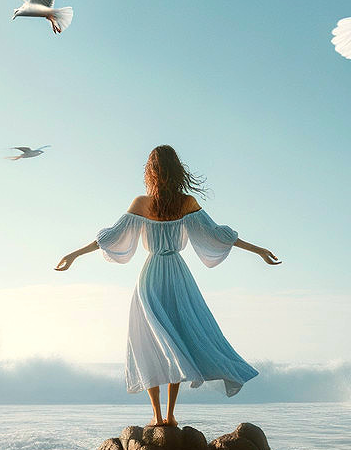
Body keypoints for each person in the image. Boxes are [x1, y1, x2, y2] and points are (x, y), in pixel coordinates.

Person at [55, 145, 281, 426]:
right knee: (176, 338)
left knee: (149, 342)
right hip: (177, 276)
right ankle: (170, 415)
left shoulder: (142, 203)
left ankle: (157, 416)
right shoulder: (186, 203)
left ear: (151, 171)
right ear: (177, 169)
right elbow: (219, 236)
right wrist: (258, 250)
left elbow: (111, 237)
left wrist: (73, 254)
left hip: (150, 277)